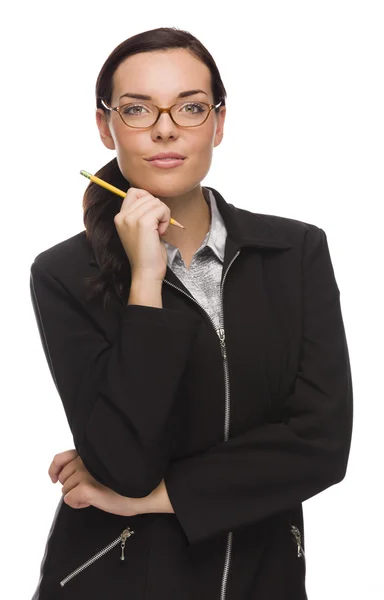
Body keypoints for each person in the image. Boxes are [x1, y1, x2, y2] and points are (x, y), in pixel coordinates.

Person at [29, 26, 353, 600]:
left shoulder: (294, 251)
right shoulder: (64, 275)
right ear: (105, 126)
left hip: (265, 576)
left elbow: (322, 445)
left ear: (219, 123)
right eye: (136, 109)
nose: (165, 128)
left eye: (191, 107)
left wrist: (153, 498)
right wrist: (147, 280)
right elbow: (123, 463)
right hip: (118, 579)